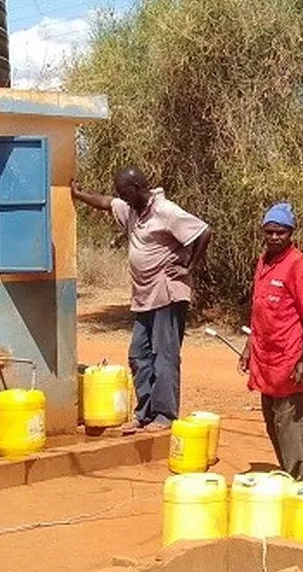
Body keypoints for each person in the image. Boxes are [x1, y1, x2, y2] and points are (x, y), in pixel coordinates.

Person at [72, 167, 210, 434]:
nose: (121, 198)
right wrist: (78, 195)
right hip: (144, 297)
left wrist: (189, 269)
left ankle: (165, 415)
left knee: (164, 356)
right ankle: (145, 413)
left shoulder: (165, 211)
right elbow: (106, 203)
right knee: (138, 355)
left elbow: (203, 231)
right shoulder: (132, 210)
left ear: (136, 188)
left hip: (167, 294)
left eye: (124, 193)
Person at [239, 202, 303, 480]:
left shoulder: (299, 266)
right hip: (265, 358)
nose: (275, 237)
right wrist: (248, 348)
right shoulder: (263, 262)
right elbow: (258, 310)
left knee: (290, 422)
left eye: (281, 233)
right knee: (273, 421)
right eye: (270, 232)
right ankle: (288, 472)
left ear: (291, 233)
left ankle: (302, 483)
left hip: (289, 357)